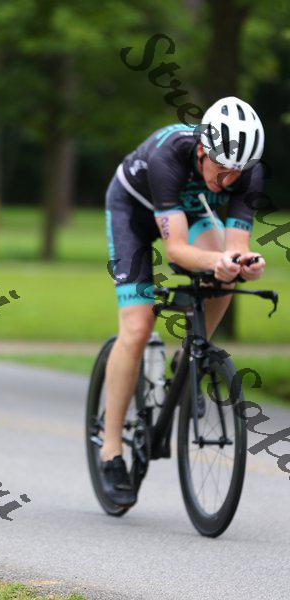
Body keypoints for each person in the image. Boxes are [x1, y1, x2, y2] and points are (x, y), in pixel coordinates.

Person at [101, 96, 266, 506]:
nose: (228, 180)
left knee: (224, 274)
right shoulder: (168, 156)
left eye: (237, 173)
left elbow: (235, 246)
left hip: (186, 210)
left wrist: (244, 263)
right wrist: (217, 261)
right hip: (133, 211)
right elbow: (175, 249)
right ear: (203, 150)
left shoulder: (246, 172)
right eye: (222, 168)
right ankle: (111, 450)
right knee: (137, 327)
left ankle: (188, 357)